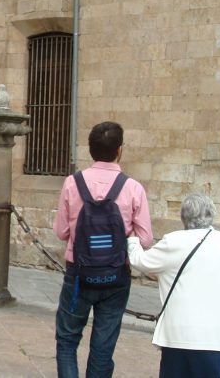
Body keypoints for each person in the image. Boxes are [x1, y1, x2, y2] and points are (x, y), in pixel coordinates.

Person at [52, 121, 153, 378]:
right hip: (116, 275)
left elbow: (62, 232)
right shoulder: (133, 188)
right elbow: (145, 239)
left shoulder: (72, 184)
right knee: (103, 348)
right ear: (120, 150)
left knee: (67, 340)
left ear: (90, 150)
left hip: (78, 274)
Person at [127, 194, 220, 378]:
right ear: (212, 214)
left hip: (179, 334)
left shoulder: (173, 241)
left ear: (183, 217)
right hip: (219, 336)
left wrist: (133, 241)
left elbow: (140, 261)